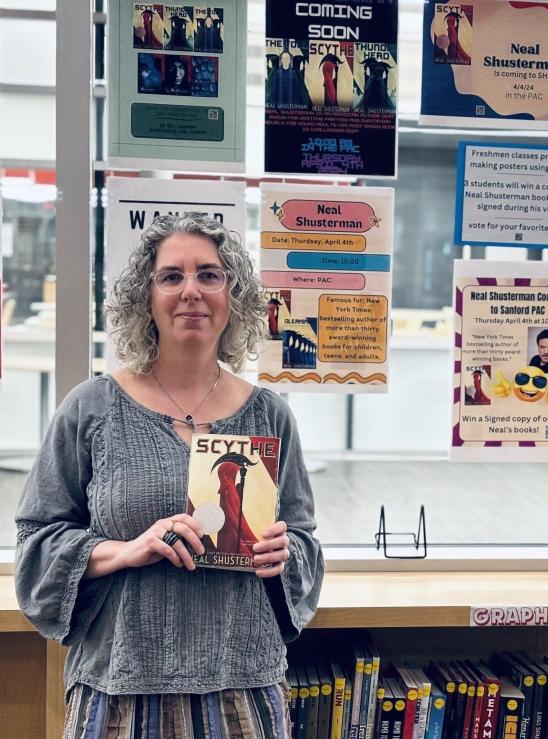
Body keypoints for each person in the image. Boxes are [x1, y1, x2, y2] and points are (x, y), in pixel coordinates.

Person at [14, 214, 323, 736]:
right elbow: (36, 544)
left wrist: (283, 553)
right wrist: (127, 548)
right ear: (146, 297)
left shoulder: (269, 414)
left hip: (241, 686)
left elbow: (306, 545)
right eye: (171, 276)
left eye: (209, 274)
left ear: (234, 296)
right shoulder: (92, 408)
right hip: (119, 686)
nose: (191, 292)